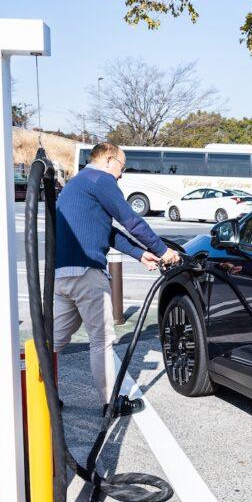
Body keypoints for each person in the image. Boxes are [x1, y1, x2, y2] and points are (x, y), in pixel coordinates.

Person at [54, 142, 179, 410]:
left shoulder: (74, 185)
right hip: (88, 274)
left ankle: (42, 398)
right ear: (109, 160)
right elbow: (130, 220)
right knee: (101, 341)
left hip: (63, 274)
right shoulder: (101, 180)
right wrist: (163, 251)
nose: (122, 174)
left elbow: (105, 230)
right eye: (122, 167)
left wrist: (139, 253)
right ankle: (111, 403)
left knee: (52, 341)